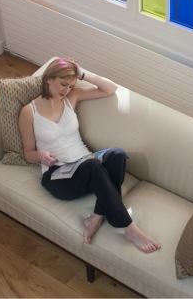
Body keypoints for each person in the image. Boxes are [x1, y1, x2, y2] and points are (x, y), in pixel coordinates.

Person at [19, 58, 161, 253]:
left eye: (70, 85)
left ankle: (96, 216)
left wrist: (82, 74)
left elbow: (110, 89)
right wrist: (40, 155)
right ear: (49, 79)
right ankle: (129, 228)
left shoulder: (71, 97)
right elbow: (28, 154)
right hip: (58, 176)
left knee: (117, 155)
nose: (66, 90)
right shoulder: (29, 111)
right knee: (92, 165)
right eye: (63, 84)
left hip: (85, 164)